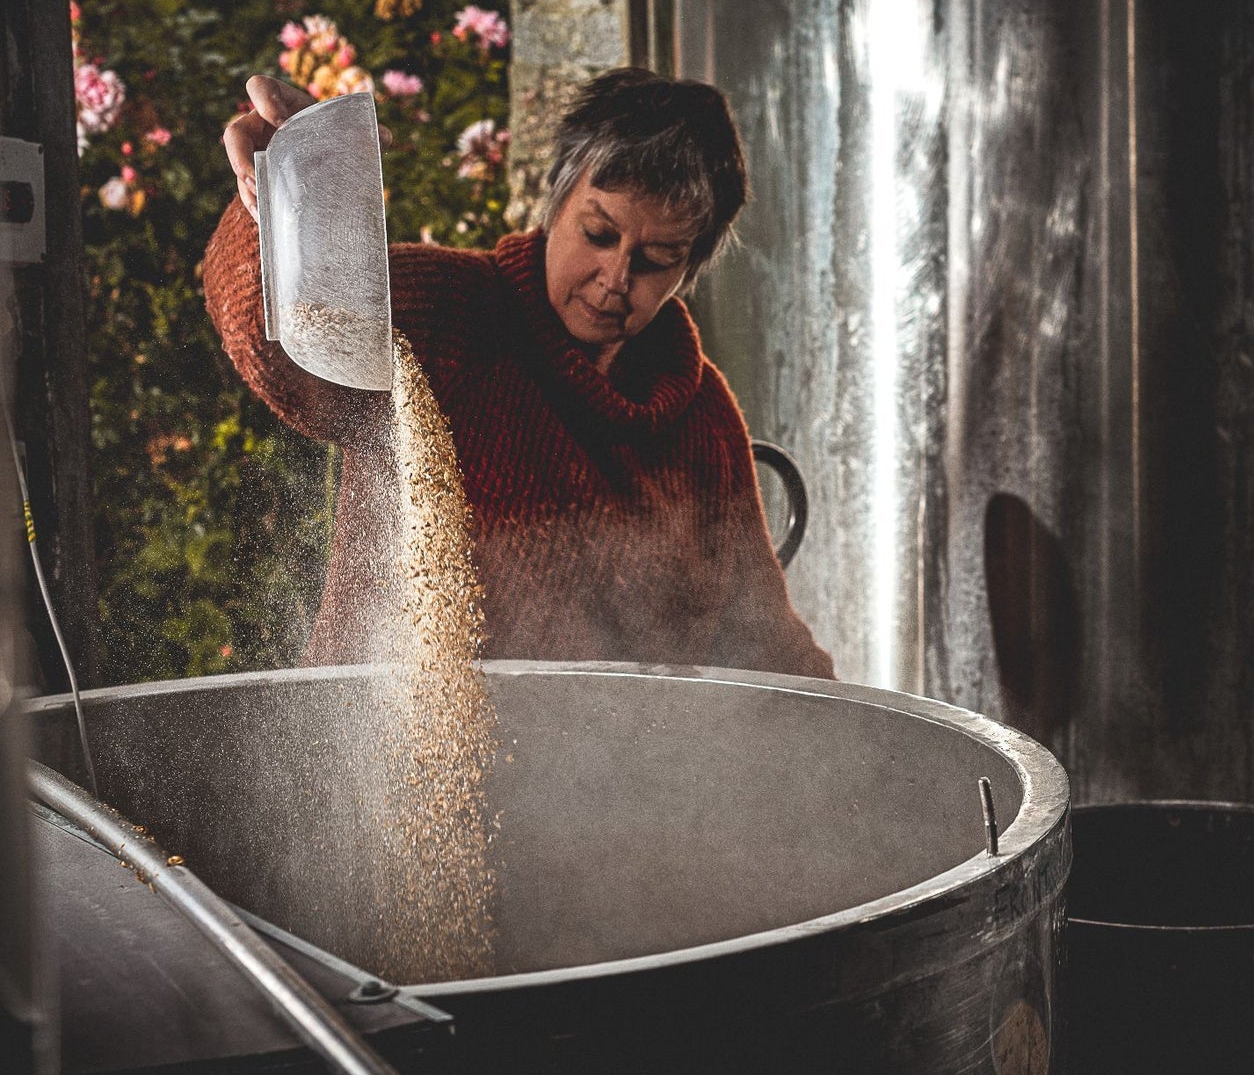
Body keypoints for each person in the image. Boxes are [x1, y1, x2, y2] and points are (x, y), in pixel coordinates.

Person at [206, 68, 833, 678]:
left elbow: (764, 644)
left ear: (689, 268)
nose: (616, 278)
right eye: (598, 234)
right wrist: (285, 196)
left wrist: (854, 732)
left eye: (655, 260)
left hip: (609, 751)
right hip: (391, 737)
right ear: (555, 204)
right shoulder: (450, 318)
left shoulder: (700, 422)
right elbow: (276, 336)